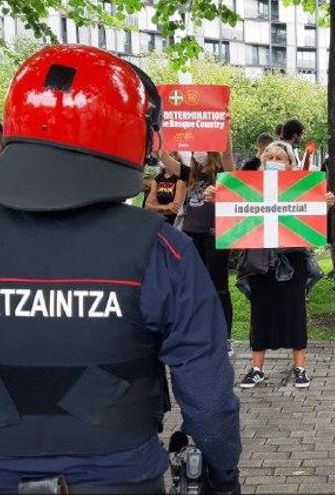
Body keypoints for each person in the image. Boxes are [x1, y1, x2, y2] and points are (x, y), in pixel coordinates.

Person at [0, 45, 240, 493]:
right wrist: (223, 474)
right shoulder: (161, 249)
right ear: (136, 137)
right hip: (119, 477)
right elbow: (206, 394)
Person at [237, 141, 335, 388]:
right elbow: (236, 212)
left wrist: (323, 203)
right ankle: (256, 368)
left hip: (293, 258)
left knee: (295, 310)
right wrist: (219, 199)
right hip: (262, 260)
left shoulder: (301, 189)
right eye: (269, 156)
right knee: (260, 313)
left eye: (279, 157)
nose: (274, 160)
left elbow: (311, 219)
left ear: (289, 162)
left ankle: (300, 367)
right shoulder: (251, 189)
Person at [161, 145, 236, 355]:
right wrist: (160, 144)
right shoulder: (190, 173)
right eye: (194, 151)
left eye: (201, 149)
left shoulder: (221, 174)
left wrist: (224, 135)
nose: (197, 154)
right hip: (192, 234)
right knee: (195, 287)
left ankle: (225, 337)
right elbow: (167, 161)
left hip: (216, 236)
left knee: (219, 287)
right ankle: (200, 335)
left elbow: (228, 155)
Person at [145, 155, 188, 224]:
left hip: (173, 221)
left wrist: (156, 208)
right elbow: (148, 205)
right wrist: (165, 207)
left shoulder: (180, 179)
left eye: (170, 156)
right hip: (156, 219)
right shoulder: (158, 178)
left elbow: (175, 209)